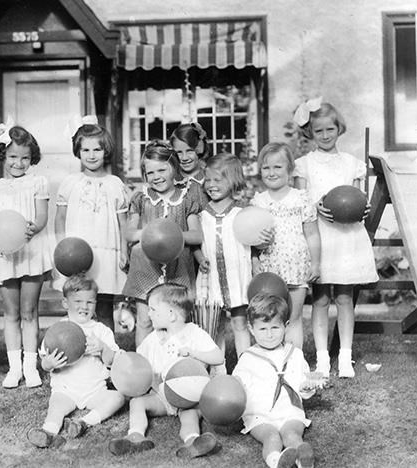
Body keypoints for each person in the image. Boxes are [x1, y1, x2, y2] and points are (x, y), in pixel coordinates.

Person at [293, 100, 377, 378]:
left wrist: (362, 208)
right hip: (320, 236)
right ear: (310, 133)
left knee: (344, 297)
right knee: (319, 300)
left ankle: (345, 357)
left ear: (339, 129)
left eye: (330, 129)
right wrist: (313, 205)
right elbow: (300, 199)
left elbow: (357, 200)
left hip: (346, 238)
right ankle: (322, 358)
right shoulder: (304, 165)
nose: (326, 135)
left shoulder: (351, 163)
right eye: (319, 131)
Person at [109, 283, 224, 458]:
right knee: (137, 403)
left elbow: (218, 357)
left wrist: (194, 353)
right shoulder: (153, 338)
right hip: (161, 396)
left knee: (190, 415)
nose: (149, 314)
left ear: (171, 315)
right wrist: (125, 361)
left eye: (153, 310)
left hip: (189, 397)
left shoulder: (194, 333)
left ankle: (192, 441)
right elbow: (139, 363)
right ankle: (135, 436)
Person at [0, 122, 54, 389]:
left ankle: (30, 365)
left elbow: (42, 217)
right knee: (10, 313)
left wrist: (32, 229)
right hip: (4, 255)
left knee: (29, 311)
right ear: (3, 155)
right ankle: (14, 368)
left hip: (30, 251)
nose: (19, 163)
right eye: (13, 156)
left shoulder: (38, 182)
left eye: (25, 157)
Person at [27, 275, 126, 448]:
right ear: (66, 303)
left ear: (95, 303)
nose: (84, 306)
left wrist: (103, 349)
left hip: (95, 390)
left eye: (90, 302)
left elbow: (112, 362)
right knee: (56, 406)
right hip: (66, 389)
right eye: (78, 301)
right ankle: (48, 431)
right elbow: (44, 362)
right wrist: (50, 364)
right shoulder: (58, 329)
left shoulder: (101, 331)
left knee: (117, 397)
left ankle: (83, 423)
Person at [122, 140, 204, 345]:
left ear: (174, 169)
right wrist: (151, 234)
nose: (156, 177)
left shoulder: (186, 198)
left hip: (178, 266)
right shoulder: (141, 198)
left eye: (162, 170)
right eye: (150, 173)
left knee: (177, 318)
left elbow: (197, 235)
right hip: (146, 266)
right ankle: (145, 366)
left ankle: (177, 362)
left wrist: (173, 236)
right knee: (145, 319)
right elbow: (130, 233)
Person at [232, 293, 323, 468]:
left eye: (275, 328)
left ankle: (303, 459)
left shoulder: (294, 354)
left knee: (291, 435)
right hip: (260, 414)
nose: (269, 335)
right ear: (251, 329)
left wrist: (306, 387)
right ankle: (276, 461)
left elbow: (302, 385)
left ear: (285, 326)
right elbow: (237, 387)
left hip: (289, 410)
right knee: (271, 437)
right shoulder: (248, 358)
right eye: (262, 329)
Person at [55, 121, 128, 331]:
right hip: (75, 255)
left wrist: (124, 251)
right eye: (85, 150)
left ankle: (106, 357)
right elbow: (59, 218)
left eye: (97, 149)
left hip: (105, 254)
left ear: (106, 151)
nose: (92, 155)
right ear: (78, 152)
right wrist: (61, 249)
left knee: (103, 308)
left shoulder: (115, 183)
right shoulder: (70, 182)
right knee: (77, 304)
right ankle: (76, 351)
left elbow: (123, 223)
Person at [194, 153, 261, 370]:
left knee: (240, 323)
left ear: (232, 181)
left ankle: (244, 367)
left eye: (217, 180)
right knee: (215, 325)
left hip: (237, 276)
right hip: (210, 276)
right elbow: (196, 243)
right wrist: (199, 258)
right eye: (208, 180)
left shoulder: (243, 212)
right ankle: (218, 370)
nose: (211, 185)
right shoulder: (201, 214)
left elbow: (252, 242)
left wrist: (255, 261)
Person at [251, 142, 321, 350]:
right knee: (268, 318)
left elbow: (312, 234)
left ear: (290, 170)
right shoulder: (258, 202)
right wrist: (255, 260)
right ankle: (269, 361)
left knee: (293, 317)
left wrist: (315, 264)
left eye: (277, 167)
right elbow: (252, 239)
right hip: (269, 269)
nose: (271, 172)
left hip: (296, 267)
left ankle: (294, 365)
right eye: (266, 168)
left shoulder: (300, 198)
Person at [170, 122, 210, 196]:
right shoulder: (171, 180)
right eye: (179, 152)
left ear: (200, 149)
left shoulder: (209, 178)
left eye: (189, 151)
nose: (184, 158)